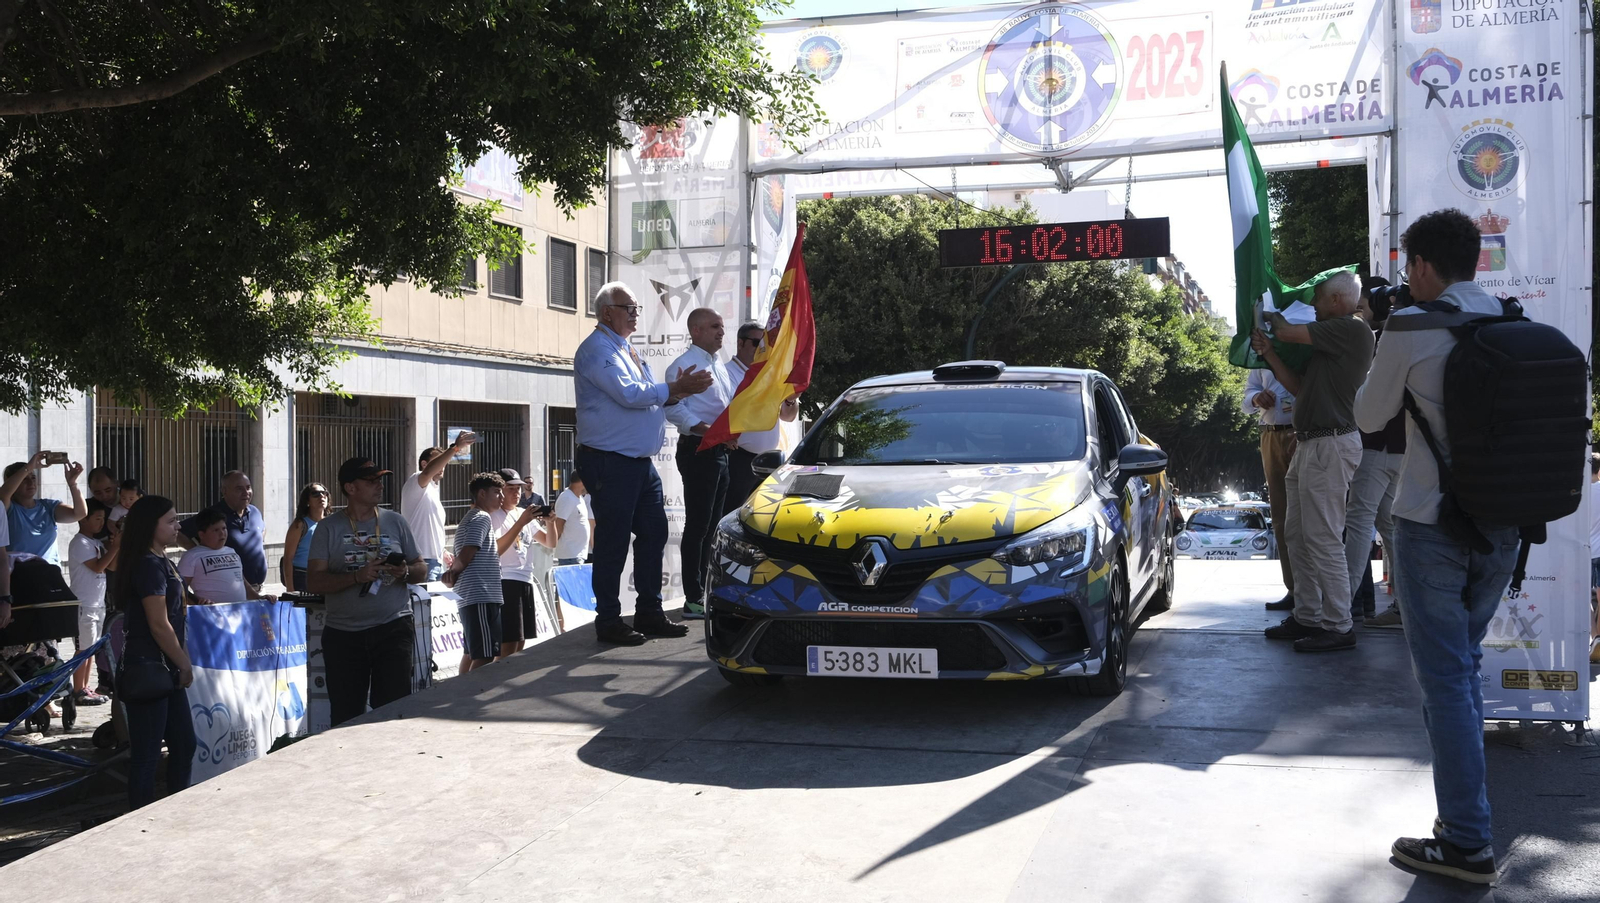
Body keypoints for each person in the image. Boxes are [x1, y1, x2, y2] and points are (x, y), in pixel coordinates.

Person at [1353, 208, 1513, 884]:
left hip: (1429, 527)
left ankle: (1468, 841)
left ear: (1420, 266)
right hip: (1504, 528)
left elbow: (1366, 416)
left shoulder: (1412, 327)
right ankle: (1460, 818)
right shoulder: (1510, 322)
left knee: (1446, 680)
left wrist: (1382, 337)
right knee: (1462, 669)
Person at [573, 282, 713, 645]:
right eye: (629, 308)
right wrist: (676, 389)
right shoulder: (596, 350)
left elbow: (649, 397)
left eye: (637, 309)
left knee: (654, 533)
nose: (636, 315)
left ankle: (649, 611)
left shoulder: (627, 349)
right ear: (607, 312)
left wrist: (677, 392)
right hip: (609, 461)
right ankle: (608, 620)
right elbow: (630, 395)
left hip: (637, 463)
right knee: (613, 541)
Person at [1251, 270, 1374, 653]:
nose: (1314, 306)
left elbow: (1287, 331)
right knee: (1298, 534)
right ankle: (1308, 615)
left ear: (1337, 300)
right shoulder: (1332, 341)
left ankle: (1338, 624)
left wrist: (1264, 313)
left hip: (1330, 445)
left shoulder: (1351, 329)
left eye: (1318, 299)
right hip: (1313, 445)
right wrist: (1269, 354)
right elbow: (1300, 388)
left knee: (1322, 537)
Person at [306, 457, 426, 727]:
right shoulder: (327, 528)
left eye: (380, 480)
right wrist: (356, 577)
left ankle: (393, 765)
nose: (379, 486)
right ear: (350, 488)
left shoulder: (395, 521)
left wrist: (404, 572)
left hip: (393, 628)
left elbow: (421, 569)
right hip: (344, 636)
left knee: (394, 713)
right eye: (371, 481)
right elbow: (314, 582)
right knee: (347, 717)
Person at [114, 495, 197, 810]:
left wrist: (180, 662)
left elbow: (177, 619)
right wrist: (184, 663)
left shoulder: (162, 560)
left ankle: (173, 810)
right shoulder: (147, 565)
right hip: (148, 667)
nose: (178, 526)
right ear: (151, 526)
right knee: (147, 754)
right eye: (171, 521)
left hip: (167, 668)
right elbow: (159, 624)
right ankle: (138, 820)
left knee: (184, 744)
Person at [665, 308, 735, 620]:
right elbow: (674, 411)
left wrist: (728, 432)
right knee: (698, 525)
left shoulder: (717, 362)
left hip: (719, 450)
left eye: (722, 326)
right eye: (714, 326)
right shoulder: (682, 366)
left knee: (714, 525)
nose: (721, 332)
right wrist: (707, 430)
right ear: (695, 330)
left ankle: (709, 589)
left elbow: (723, 404)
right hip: (698, 449)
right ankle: (693, 597)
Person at [1347, 282, 1406, 623]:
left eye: (1362, 307)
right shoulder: (1411, 333)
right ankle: (1404, 606)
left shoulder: (1385, 340)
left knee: (1358, 524)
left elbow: (1372, 396)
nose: (1358, 313)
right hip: (1402, 448)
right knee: (1391, 526)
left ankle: (1340, 610)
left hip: (1377, 445)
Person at [722, 321, 800, 517]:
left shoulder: (770, 376)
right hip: (738, 458)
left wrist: (790, 399)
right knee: (731, 515)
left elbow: (788, 416)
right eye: (757, 343)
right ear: (740, 344)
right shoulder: (727, 373)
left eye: (766, 345)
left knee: (760, 519)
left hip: (768, 462)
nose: (762, 350)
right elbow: (733, 412)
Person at [442, 472, 515, 672]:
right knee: (485, 654)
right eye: (497, 492)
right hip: (480, 596)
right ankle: (469, 697)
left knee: (472, 652)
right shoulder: (481, 517)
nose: (502, 497)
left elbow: (465, 555)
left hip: (476, 596)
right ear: (482, 494)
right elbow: (467, 553)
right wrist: (451, 575)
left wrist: (452, 575)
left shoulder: (475, 518)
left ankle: (460, 694)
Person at [1241, 365, 1298, 611]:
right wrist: (1255, 398)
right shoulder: (1261, 353)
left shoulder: (1311, 336)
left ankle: (1323, 592)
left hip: (1307, 433)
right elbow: (1246, 397)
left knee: (1315, 517)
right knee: (1281, 518)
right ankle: (1294, 589)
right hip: (1271, 435)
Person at [490, 467, 557, 656]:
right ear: (500, 490)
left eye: (519, 488)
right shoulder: (493, 515)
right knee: (509, 643)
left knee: (520, 642)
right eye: (510, 488)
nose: (516, 492)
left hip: (525, 580)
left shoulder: (522, 512)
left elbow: (549, 542)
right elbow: (496, 549)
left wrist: (551, 522)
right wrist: (521, 522)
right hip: (506, 580)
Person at [402, 431, 477, 580]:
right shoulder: (416, 479)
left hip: (436, 562)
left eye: (445, 462)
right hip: (421, 562)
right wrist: (455, 448)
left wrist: (442, 552)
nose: (444, 465)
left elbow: (431, 530)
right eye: (440, 461)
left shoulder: (433, 490)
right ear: (424, 464)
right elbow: (427, 472)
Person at [177, 470, 267, 593]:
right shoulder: (213, 514)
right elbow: (178, 531)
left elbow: (262, 529)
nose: (246, 493)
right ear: (224, 491)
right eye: (239, 489)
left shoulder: (255, 512)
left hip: (257, 590)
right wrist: (200, 551)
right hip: (228, 591)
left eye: (248, 487)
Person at [67, 500, 117, 705]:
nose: (100, 523)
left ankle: (85, 687)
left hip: (97, 603)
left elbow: (110, 566)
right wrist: (116, 546)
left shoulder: (96, 543)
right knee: (82, 648)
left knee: (91, 649)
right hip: (83, 604)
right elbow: (97, 567)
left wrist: (117, 546)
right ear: (83, 519)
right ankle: (78, 689)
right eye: (97, 519)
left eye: (103, 519)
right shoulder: (80, 542)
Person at [2, 452, 88, 564]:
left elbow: (80, 514)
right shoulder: (8, 508)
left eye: (33, 477)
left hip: (50, 575)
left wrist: (72, 484)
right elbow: (3, 494)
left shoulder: (48, 506)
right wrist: (29, 467)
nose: (31, 482)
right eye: (24, 479)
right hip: (20, 576)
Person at [177, 509, 276, 604]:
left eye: (224, 528)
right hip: (211, 615)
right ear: (202, 534)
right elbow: (179, 589)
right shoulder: (191, 556)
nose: (222, 533)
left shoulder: (231, 551)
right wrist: (197, 602)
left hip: (239, 613)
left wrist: (259, 598)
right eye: (216, 530)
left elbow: (243, 583)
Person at [281, 482, 329, 592]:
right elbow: (288, 559)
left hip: (324, 576)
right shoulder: (300, 525)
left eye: (324, 493)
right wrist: (290, 589)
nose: (321, 496)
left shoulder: (330, 523)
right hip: (302, 577)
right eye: (315, 494)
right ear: (307, 501)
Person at [551, 470, 593, 565]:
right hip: (570, 556)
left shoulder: (579, 498)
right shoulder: (566, 498)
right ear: (582, 481)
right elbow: (558, 525)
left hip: (577, 555)